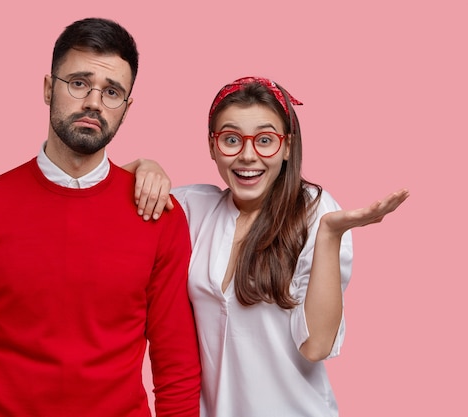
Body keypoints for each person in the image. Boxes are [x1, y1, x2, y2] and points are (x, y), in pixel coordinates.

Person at [0, 17, 201, 417]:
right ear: (48, 88)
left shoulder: (158, 216)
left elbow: (176, 368)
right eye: (78, 83)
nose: (93, 101)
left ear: (126, 109)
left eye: (111, 92)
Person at [130, 76, 409, 416]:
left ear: (288, 146)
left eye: (265, 140)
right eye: (231, 139)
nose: (248, 156)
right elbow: (109, 184)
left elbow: (317, 345)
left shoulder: (314, 211)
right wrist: (146, 166)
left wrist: (329, 236)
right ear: (212, 145)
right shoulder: (193, 207)